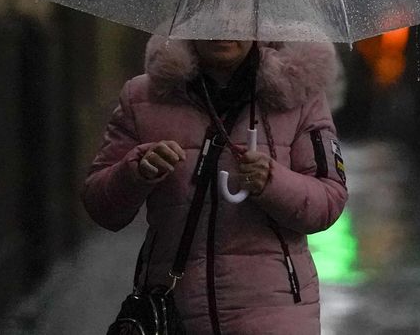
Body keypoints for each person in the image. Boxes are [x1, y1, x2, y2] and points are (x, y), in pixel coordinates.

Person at [84, 36, 348, 335]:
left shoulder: (299, 95)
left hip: (276, 314)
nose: (224, 31)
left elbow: (329, 200)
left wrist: (273, 183)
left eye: (237, 16)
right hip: (175, 314)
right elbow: (100, 206)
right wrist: (135, 171)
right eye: (212, 17)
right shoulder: (143, 97)